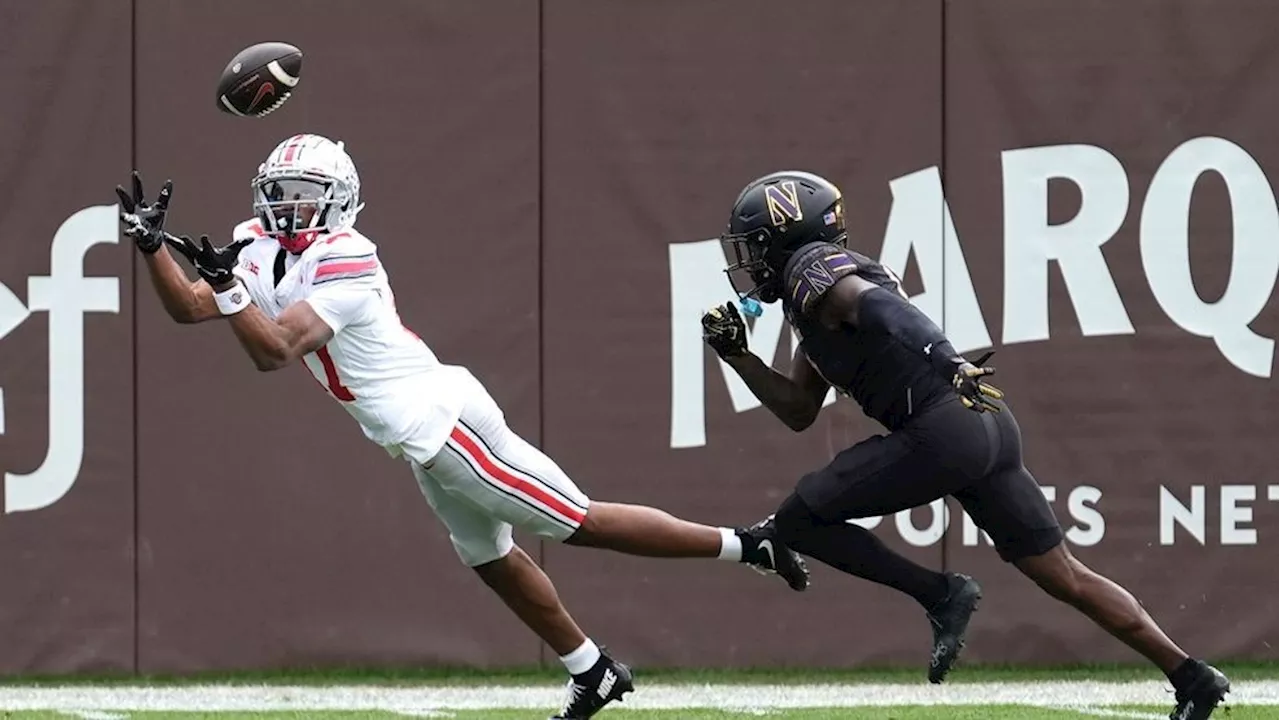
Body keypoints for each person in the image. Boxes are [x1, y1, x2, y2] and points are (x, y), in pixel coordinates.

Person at [114, 133, 810, 720]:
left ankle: (749, 546)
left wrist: (234, 292)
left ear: (340, 200)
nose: (287, 204)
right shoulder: (258, 247)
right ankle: (592, 670)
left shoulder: (348, 255)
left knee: (577, 521)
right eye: (281, 190)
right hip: (416, 435)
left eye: (303, 191)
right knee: (489, 559)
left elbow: (274, 351)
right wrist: (153, 250)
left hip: (442, 419)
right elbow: (190, 308)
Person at [699, 170, 1231, 720]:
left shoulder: (812, 268)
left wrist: (946, 358)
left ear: (787, 235)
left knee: (799, 519)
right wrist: (739, 356)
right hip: (984, 424)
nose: (750, 262)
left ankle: (939, 594)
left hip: (942, 425)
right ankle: (1191, 676)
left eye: (756, 246)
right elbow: (800, 411)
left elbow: (883, 308)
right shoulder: (806, 300)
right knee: (1065, 575)